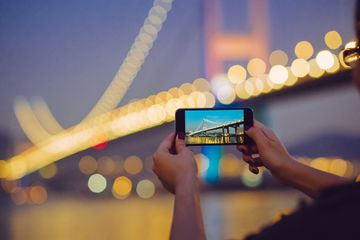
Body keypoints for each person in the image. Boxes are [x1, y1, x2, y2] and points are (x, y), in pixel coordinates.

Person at [152, 1, 360, 239]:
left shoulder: (312, 228)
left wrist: (185, 185)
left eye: (354, 52)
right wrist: (286, 167)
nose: (352, 65)